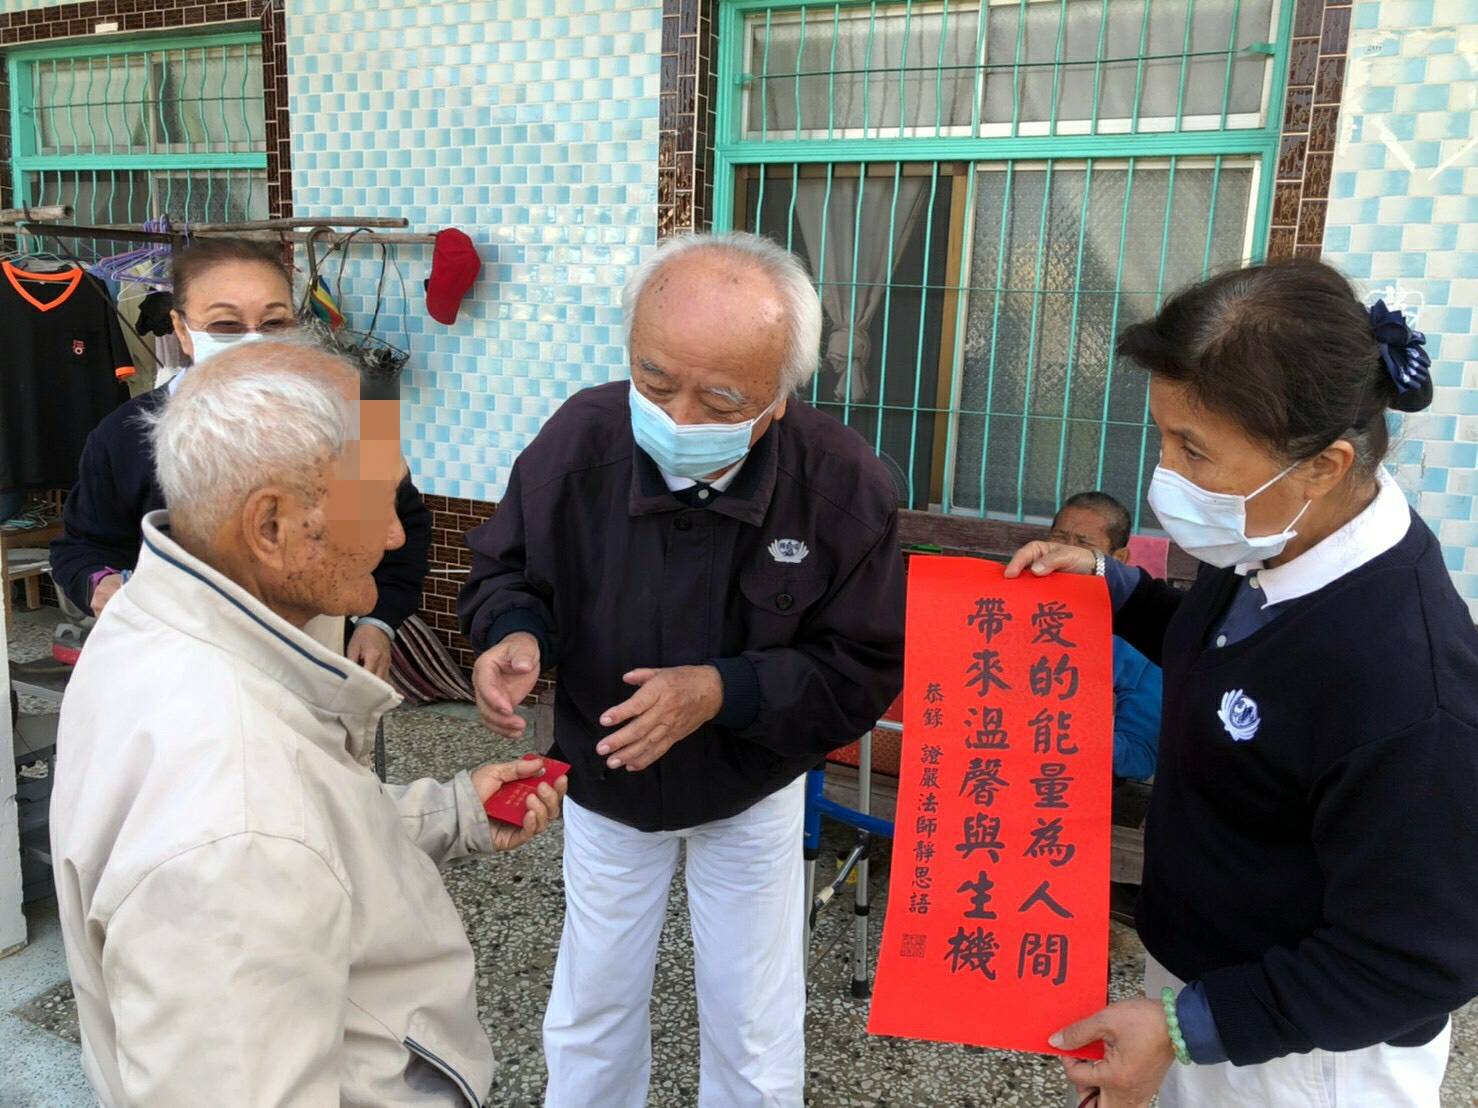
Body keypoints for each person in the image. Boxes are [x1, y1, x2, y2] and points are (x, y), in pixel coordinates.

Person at [1006, 260, 1478, 1107]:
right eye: (1162, 436)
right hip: (1203, 990)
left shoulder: (1410, 686)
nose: (1167, 476)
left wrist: (1194, 1028)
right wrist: (1114, 589)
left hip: (1302, 1058)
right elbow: (1215, 651)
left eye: (1196, 451)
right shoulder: (1269, 544)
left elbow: (1417, 958)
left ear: (1325, 466)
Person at [50, 340, 567, 1106]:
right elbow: (258, 838)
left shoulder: (150, 624)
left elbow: (310, 822)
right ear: (272, 527)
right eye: (376, 500)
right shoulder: (234, 825)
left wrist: (451, 811)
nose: (395, 535)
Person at [458, 231, 906, 1107]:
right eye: (656, 383)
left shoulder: (843, 488)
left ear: (778, 400)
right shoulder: (578, 442)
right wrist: (513, 635)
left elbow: (862, 665)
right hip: (605, 782)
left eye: (722, 398)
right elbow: (506, 569)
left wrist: (723, 691)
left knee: (752, 1019)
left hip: (751, 788)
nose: (679, 418)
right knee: (592, 1003)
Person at [49, 237, 431, 678]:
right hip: (176, 664)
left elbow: (404, 530)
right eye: (226, 326)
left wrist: (378, 621)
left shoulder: (355, 416)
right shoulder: (125, 434)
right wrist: (101, 584)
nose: (252, 342)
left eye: (273, 323)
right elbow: (81, 547)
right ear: (181, 328)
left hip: (318, 657)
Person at [1047, 491, 1162, 781]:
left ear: (1118, 559)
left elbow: (1140, 756)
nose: (1065, 553)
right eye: (1059, 538)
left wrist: (1058, 728)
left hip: (1075, 785)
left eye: (1084, 544)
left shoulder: (1140, 641)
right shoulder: (1007, 612)